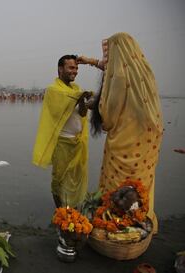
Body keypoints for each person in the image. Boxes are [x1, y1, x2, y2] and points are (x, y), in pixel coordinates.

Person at [77, 32, 163, 231]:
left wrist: (93, 104)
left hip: (125, 140)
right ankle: (141, 218)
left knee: (120, 185)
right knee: (140, 183)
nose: (107, 59)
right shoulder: (143, 69)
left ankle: (115, 222)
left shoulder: (120, 76)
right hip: (148, 137)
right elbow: (111, 67)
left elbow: (108, 116)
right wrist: (89, 61)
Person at [33, 55, 93, 208]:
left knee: (75, 177)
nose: (75, 71)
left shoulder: (76, 89)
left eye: (77, 68)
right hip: (62, 142)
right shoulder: (53, 90)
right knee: (59, 178)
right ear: (60, 69)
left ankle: (72, 209)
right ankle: (61, 212)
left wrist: (83, 101)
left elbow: (82, 114)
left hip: (77, 142)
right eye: (71, 68)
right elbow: (60, 108)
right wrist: (80, 97)